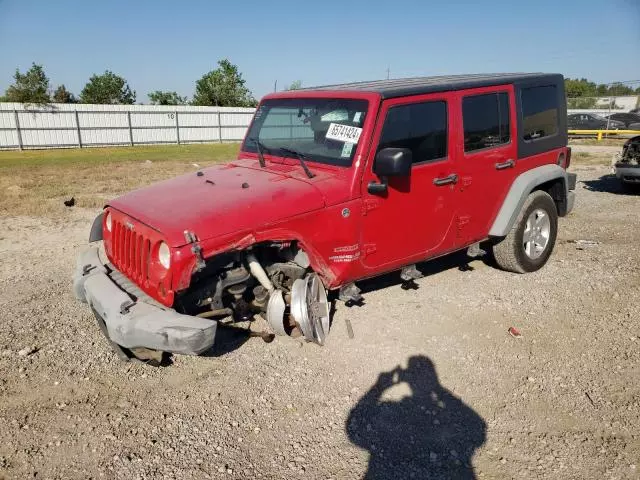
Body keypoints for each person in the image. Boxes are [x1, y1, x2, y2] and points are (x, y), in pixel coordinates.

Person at [347, 355, 486, 479]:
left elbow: (355, 430)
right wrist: (437, 389)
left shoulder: (389, 409)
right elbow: (478, 429)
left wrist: (379, 387)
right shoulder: (442, 417)